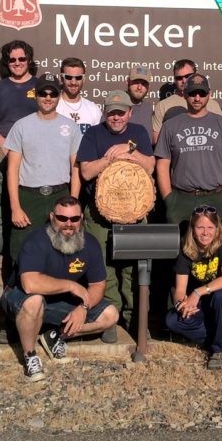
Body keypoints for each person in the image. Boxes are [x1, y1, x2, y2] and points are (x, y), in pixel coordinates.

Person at [1, 197, 120, 381]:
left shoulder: (91, 243)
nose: (68, 224)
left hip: (58, 302)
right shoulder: (36, 241)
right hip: (20, 298)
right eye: (62, 218)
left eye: (74, 219)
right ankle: (30, 355)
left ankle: (55, 336)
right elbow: (29, 284)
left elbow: (98, 285)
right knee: (34, 300)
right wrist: (71, 285)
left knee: (110, 315)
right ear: (52, 217)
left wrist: (83, 308)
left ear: (81, 218)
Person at [76, 90, 155, 341]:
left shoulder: (139, 133)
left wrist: (130, 150)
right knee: (104, 266)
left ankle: (135, 319)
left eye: (121, 113)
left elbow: (151, 165)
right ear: (105, 114)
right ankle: (110, 317)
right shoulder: (93, 134)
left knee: (134, 267)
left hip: (135, 211)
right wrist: (110, 157)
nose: (116, 117)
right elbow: (86, 172)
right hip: (99, 214)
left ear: (130, 113)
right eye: (112, 113)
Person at [5, 72, 82, 266]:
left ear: (58, 96)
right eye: (43, 93)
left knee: (64, 251)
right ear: (36, 95)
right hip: (29, 198)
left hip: (60, 195)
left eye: (53, 93)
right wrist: (15, 207)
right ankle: (20, 294)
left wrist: (74, 203)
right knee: (22, 251)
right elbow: (12, 169)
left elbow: (76, 169)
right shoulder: (21, 126)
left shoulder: (71, 127)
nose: (48, 97)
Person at [155, 73, 222, 229]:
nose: (197, 98)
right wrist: (169, 199)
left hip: (217, 198)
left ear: (209, 94)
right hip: (181, 198)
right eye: (192, 93)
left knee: (220, 250)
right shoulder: (170, 126)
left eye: (202, 93)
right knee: (182, 250)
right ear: (184, 94)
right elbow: (162, 165)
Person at [166, 205, 222, 369]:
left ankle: (221, 349)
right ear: (193, 229)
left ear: (217, 228)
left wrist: (197, 293)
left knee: (221, 296)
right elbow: (180, 289)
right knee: (172, 320)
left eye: (210, 227)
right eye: (200, 227)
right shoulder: (186, 250)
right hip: (206, 306)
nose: (205, 233)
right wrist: (181, 305)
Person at [0, 40, 39, 263]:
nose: (17, 63)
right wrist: (7, 146)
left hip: (34, 149)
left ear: (29, 60)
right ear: (6, 61)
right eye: (12, 59)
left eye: (21, 59)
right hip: (4, 146)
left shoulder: (40, 86)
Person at [151, 59, 222, 144]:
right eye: (179, 78)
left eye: (188, 76)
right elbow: (156, 139)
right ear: (174, 79)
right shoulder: (163, 105)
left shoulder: (213, 105)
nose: (184, 80)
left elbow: (221, 136)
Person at [56, 57, 102, 134]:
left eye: (78, 78)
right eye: (68, 77)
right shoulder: (53, 107)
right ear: (61, 78)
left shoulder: (93, 109)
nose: (73, 82)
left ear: (83, 79)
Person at [127, 65, 154, 135]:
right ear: (128, 82)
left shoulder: (148, 109)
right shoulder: (116, 105)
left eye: (144, 83)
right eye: (136, 82)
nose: (139, 87)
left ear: (148, 86)